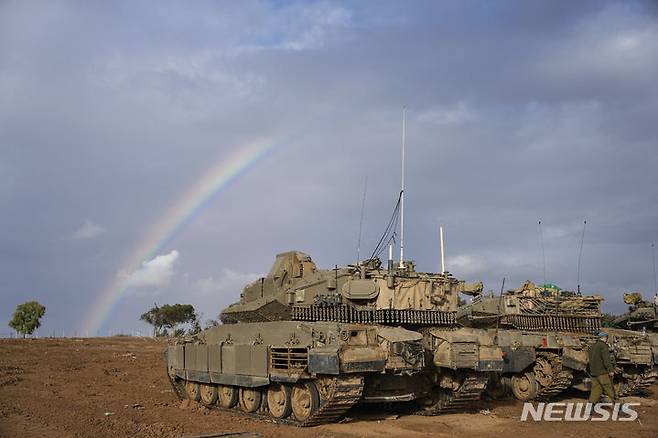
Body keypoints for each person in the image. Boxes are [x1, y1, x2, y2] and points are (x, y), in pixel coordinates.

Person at [588, 332, 617, 403]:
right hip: (602, 373)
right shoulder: (603, 346)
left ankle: (589, 408)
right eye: (606, 338)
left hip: (593, 373)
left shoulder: (592, 346)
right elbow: (606, 360)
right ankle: (619, 408)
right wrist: (610, 370)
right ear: (604, 338)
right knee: (610, 389)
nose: (607, 339)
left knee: (595, 390)